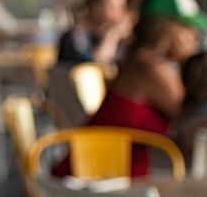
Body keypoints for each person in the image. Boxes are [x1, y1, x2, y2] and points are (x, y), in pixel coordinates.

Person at [67, 16, 199, 178]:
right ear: (174, 37)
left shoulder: (139, 62)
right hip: (96, 176)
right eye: (191, 38)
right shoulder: (149, 67)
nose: (195, 45)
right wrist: (192, 63)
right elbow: (192, 111)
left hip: (106, 171)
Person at [56, 0, 132, 66]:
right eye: (112, 8)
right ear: (94, 7)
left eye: (122, 8)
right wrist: (111, 38)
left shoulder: (124, 38)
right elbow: (92, 67)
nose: (119, 14)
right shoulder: (76, 37)